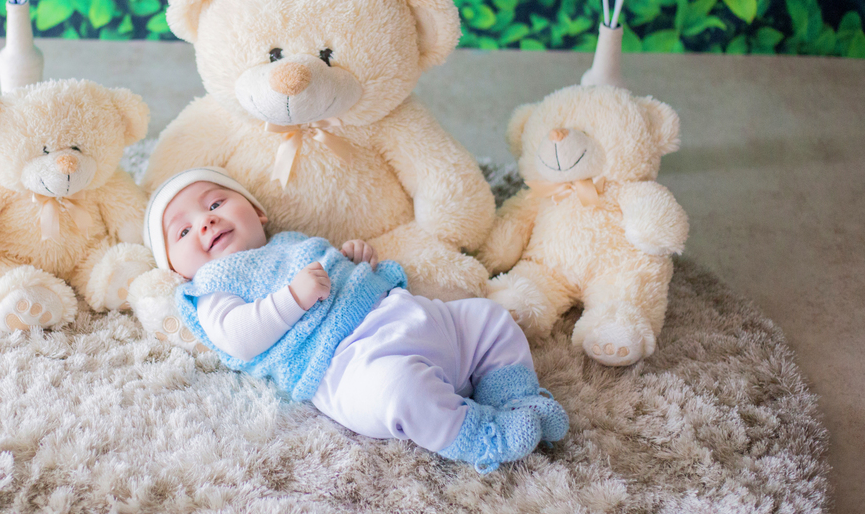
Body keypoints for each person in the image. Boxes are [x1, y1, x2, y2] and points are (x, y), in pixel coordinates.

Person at [143, 167, 569, 473]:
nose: (206, 221)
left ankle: (513, 396)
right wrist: (292, 299)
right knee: (402, 391)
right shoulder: (210, 288)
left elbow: (338, 280)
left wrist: (352, 263)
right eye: (182, 232)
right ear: (178, 270)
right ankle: (481, 434)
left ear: (257, 212)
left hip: (405, 314)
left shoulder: (290, 243)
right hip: (351, 364)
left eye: (216, 202)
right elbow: (239, 337)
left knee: (487, 318)